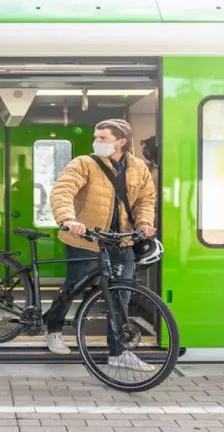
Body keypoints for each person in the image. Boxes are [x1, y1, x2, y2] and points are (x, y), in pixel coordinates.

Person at [43, 118, 157, 371]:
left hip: (122, 240)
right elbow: (62, 192)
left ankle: (118, 353)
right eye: (96, 137)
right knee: (73, 287)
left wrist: (144, 223)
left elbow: (145, 200)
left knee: (122, 295)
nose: (97, 142)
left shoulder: (138, 167)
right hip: (85, 238)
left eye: (103, 138)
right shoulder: (84, 163)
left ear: (121, 142)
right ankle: (53, 329)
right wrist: (68, 219)